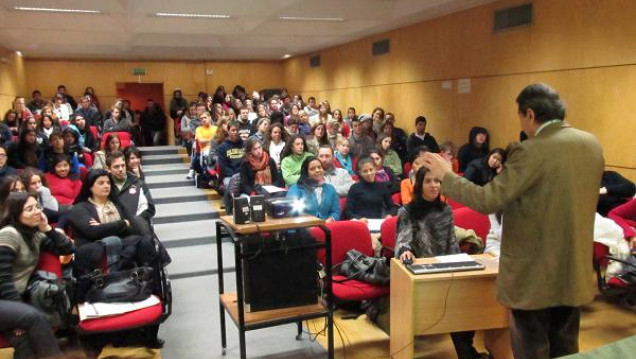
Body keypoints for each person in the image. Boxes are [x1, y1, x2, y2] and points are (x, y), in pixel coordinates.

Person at [423, 83, 604, 359]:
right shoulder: (591, 144)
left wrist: (446, 176)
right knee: (566, 348)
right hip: (573, 270)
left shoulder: (529, 151)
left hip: (534, 276)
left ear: (529, 114)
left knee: (532, 349)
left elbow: (487, 200)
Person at [395, 166, 486, 359]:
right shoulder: (407, 211)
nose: (434, 185)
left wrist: (459, 266)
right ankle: (466, 353)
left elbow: (451, 243)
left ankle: (466, 351)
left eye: (437, 181)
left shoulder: (445, 210)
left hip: (445, 268)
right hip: (422, 272)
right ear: (419, 185)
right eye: (428, 181)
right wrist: (405, 251)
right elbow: (404, 240)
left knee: (468, 302)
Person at [0, 192, 73, 359]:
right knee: (32, 316)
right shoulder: (9, 234)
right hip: (5, 299)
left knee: (23, 339)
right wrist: (18, 314)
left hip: (12, 303)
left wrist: (47, 228)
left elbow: (67, 249)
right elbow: (2, 280)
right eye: (29, 209)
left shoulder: (36, 235)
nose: (37, 212)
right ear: (16, 214)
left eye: (38, 207)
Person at [106, 151, 155, 230]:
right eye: (116, 167)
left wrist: (134, 222)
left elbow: (150, 209)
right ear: (108, 168)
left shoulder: (138, 183)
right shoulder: (105, 185)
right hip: (113, 228)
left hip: (137, 227)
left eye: (123, 165)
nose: (121, 169)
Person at [286, 156, 340, 222]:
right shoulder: (296, 189)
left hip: (326, 227)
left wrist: (330, 220)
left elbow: (335, 212)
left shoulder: (330, 189)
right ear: (306, 173)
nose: (317, 170)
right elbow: (291, 213)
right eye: (312, 169)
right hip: (303, 228)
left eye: (319, 167)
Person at [344, 155, 398, 221]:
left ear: (375, 169)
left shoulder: (382, 187)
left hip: (377, 223)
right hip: (360, 223)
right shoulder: (355, 188)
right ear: (360, 173)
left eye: (371, 170)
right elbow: (348, 211)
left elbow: (392, 207)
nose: (369, 173)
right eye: (365, 171)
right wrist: (359, 218)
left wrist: (389, 215)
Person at [217, 120, 245, 188]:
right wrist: (235, 176)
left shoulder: (245, 144)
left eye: (237, 130)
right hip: (229, 176)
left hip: (243, 175)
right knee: (232, 187)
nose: (235, 132)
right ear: (228, 131)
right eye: (233, 130)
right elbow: (224, 167)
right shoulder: (222, 147)